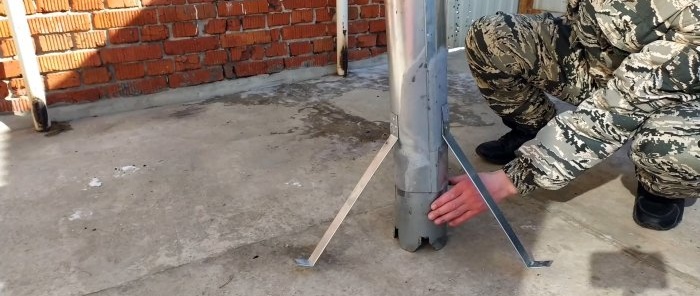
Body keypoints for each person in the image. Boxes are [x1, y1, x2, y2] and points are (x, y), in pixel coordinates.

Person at [428, 0, 699, 231]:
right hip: (599, 61)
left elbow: (618, 108)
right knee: (494, 37)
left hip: (675, 94)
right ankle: (531, 128)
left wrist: (512, 179)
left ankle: (663, 188)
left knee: (676, 150)